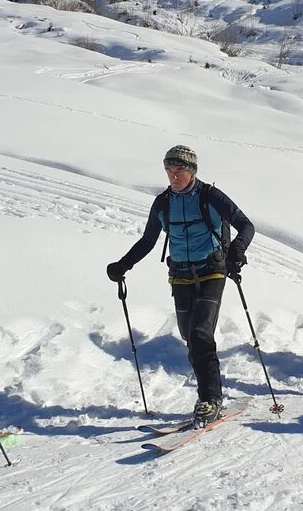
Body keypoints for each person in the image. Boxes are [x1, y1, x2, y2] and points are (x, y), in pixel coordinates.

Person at [105, 145, 254, 428]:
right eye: (169, 170)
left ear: (192, 171)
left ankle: (210, 399)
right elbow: (148, 241)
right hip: (180, 275)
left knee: (200, 334)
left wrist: (237, 250)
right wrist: (123, 264)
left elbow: (246, 225)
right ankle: (211, 390)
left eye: (179, 170)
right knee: (189, 336)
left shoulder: (210, 197)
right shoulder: (163, 203)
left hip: (212, 271)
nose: (173, 176)